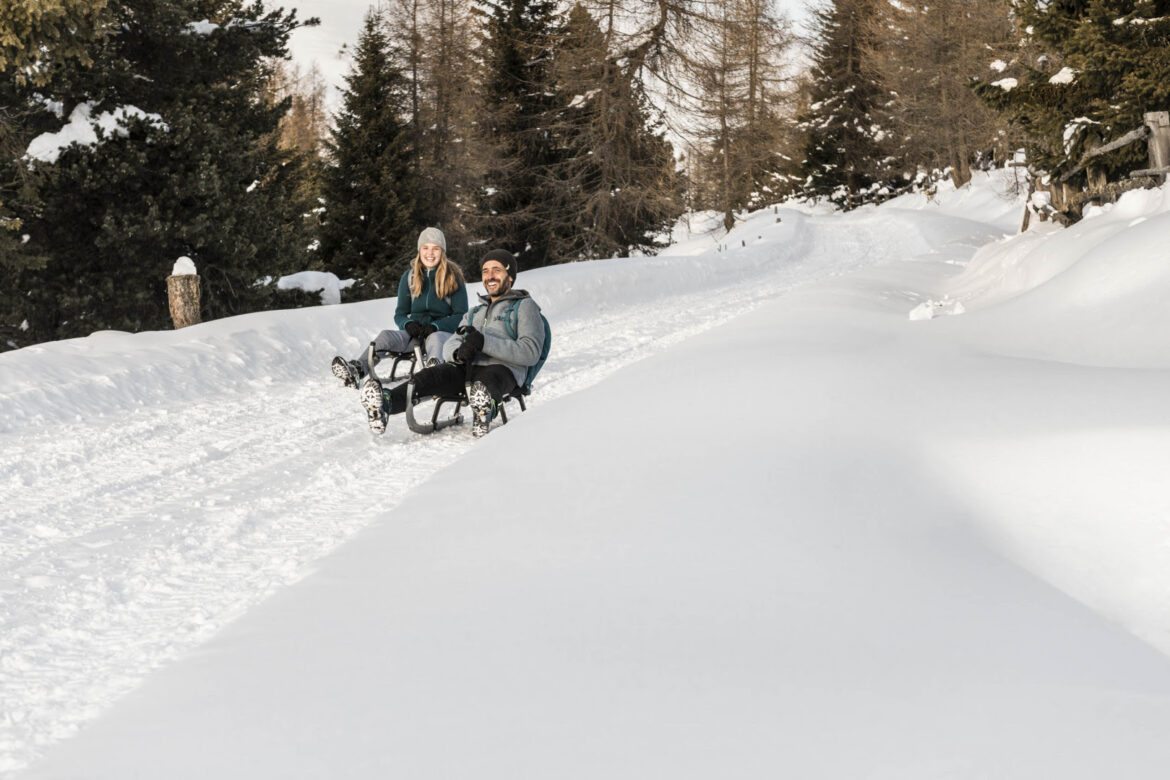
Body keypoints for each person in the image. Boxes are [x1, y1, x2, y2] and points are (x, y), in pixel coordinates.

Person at [360, 248, 546, 438]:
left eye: (496, 270)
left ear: (510, 277)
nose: (490, 276)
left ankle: (485, 410)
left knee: (489, 379)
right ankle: (386, 402)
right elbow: (452, 341)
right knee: (429, 376)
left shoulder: (524, 306)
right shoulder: (474, 312)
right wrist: (458, 353)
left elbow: (530, 352)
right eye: (485, 271)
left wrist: (484, 343)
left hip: (504, 370)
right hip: (467, 369)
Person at [331, 227, 468, 387]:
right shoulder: (409, 278)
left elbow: (461, 315)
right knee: (386, 336)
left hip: (441, 334)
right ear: (419, 250)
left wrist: (437, 326)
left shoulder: (453, 278)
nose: (430, 253)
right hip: (415, 334)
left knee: (436, 340)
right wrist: (407, 324)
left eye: (435, 249)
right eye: (426, 248)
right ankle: (358, 369)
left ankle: (435, 375)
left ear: (442, 251)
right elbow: (400, 314)